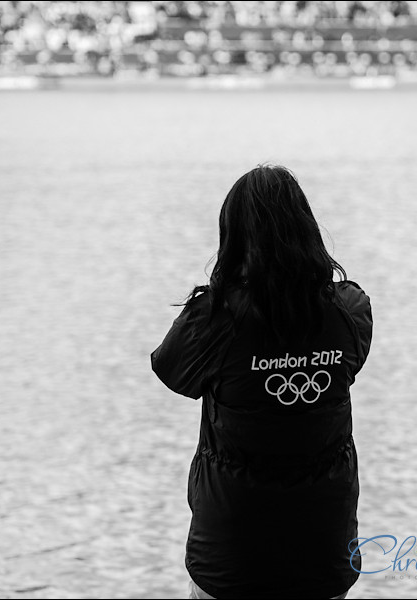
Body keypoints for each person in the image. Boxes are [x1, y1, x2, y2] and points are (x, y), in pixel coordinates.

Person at [151, 164, 372, 599]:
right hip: (322, 540)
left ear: (232, 237)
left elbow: (171, 370)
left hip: (231, 545)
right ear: (308, 230)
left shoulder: (213, 319)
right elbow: (352, 362)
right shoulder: (350, 310)